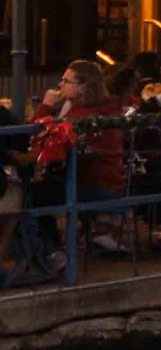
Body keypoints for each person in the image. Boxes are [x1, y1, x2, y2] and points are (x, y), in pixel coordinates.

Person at [29, 61, 128, 254]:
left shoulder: (81, 114)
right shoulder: (98, 107)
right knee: (40, 191)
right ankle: (51, 248)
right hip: (108, 181)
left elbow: (38, 139)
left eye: (66, 81)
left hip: (94, 184)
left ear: (83, 86)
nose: (60, 85)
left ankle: (49, 251)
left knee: (32, 195)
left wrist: (46, 106)